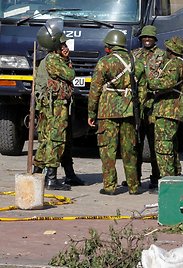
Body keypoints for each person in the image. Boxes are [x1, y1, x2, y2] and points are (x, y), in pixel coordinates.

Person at [87, 29, 145, 195]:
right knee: (130, 149)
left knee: (107, 150)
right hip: (129, 112)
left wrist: (91, 113)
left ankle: (110, 186)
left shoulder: (104, 62)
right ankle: (134, 186)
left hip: (107, 112)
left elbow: (95, 90)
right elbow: (142, 89)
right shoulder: (136, 62)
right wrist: (137, 109)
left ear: (110, 46)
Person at [33, 24, 84, 190]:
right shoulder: (54, 60)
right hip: (56, 106)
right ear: (56, 47)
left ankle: (38, 173)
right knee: (56, 139)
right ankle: (51, 179)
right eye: (63, 45)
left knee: (51, 140)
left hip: (57, 105)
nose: (66, 47)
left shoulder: (53, 59)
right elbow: (70, 75)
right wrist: (67, 61)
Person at [145, 36, 183, 186]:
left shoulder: (175, 64)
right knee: (171, 145)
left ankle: (167, 181)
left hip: (168, 109)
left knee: (163, 146)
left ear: (171, 50)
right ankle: (175, 175)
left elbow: (166, 83)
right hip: (170, 109)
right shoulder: (178, 63)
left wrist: (150, 80)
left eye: (168, 49)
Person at [129, 25, 164, 189]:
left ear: (155, 39)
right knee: (135, 143)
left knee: (154, 143)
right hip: (137, 105)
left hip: (154, 105)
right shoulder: (135, 54)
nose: (147, 40)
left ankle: (156, 177)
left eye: (150, 37)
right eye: (144, 37)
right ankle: (134, 177)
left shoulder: (161, 56)